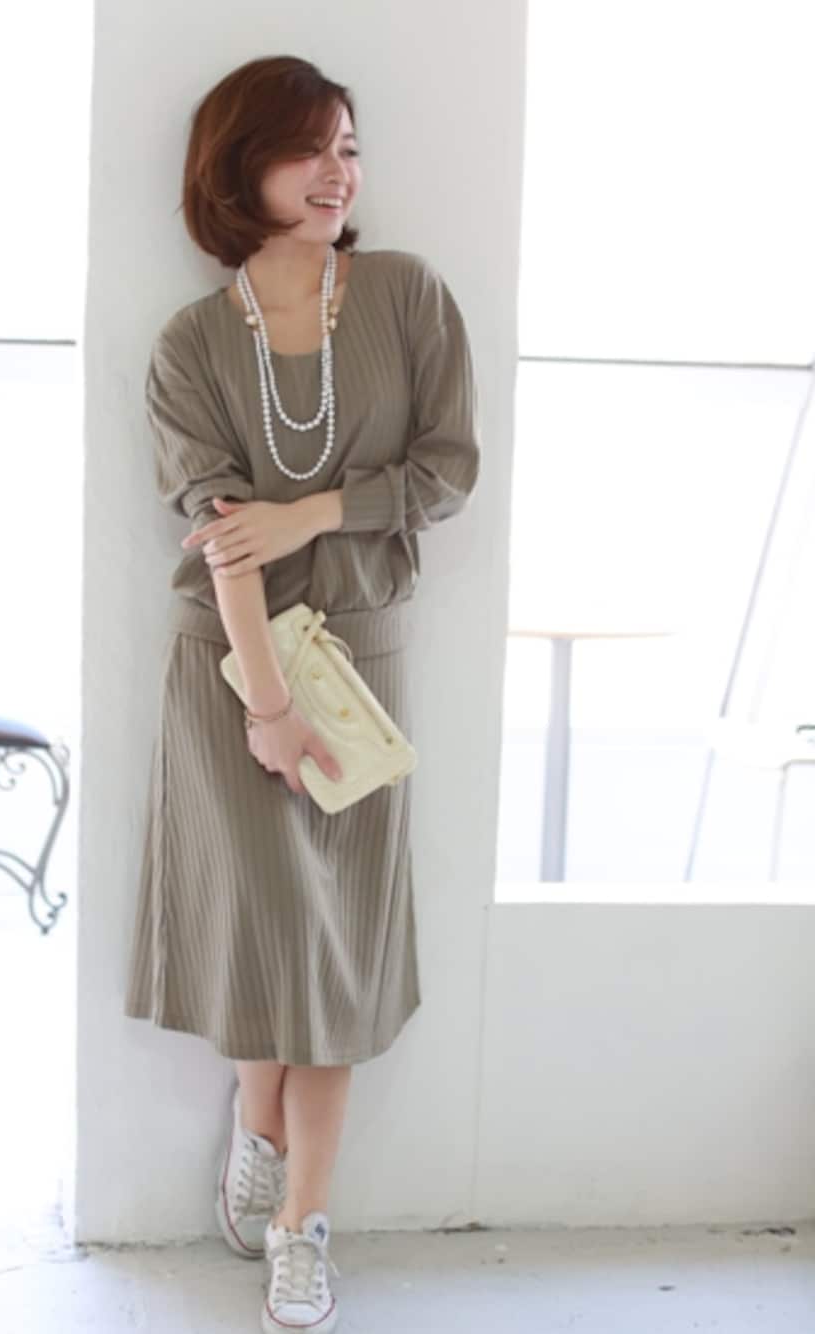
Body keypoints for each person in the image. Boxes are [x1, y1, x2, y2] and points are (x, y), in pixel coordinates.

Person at [124, 54, 481, 1334]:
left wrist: (312, 512)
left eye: (350, 148)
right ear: (240, 167)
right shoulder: (188, 344)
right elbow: (221, 539)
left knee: (333, 955)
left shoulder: (405, 295)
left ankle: (299, 1222)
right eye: (309, 149)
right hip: (230, 672)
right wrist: (269, 706)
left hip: (361, 660)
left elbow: (445, 470)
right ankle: (254, 1117)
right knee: (263, 930)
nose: (339, 173)